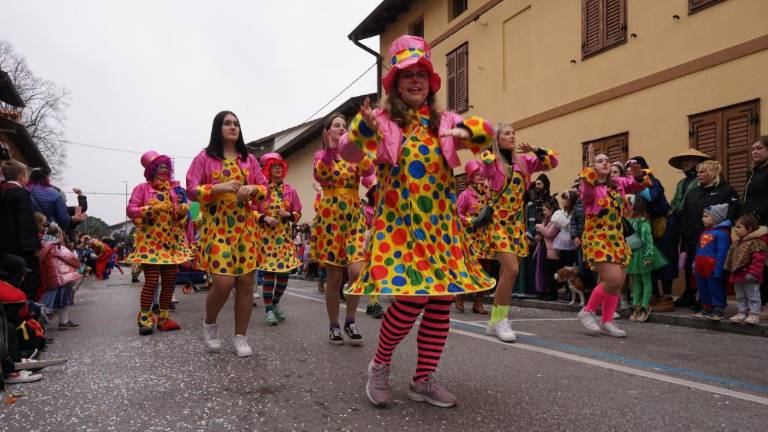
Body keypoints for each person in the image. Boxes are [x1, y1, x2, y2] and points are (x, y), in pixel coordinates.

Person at [340, 35, 496, 408]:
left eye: (421, 74)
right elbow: (348, 152)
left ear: (430, 82)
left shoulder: (444, 120)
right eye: (407, 74)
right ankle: (379, 365)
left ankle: (423, 379)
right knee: (412, 299)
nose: (415, 81)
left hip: (441, 227)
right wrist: (361, 131)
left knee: (441, 301)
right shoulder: (381, 120)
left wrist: (473, 133)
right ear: (395, 82)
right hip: (400, 227)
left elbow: (483, 134)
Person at [186, 111, 267, 357]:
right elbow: (191, 190)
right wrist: (217, 188)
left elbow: (264, 189)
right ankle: (210, 323)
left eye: (236, 124)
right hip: (217, 227)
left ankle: (241, 337)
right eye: (227, 123)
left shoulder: (249, 159)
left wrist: (252, 188)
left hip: (246, 229)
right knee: (223, 282)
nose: (233, 127)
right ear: (217, 128)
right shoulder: (204, 158)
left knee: (245, 284)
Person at [479, 124, 558, 340]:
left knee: (506, 273)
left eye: (513, 133)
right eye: (507, 133)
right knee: (512, 269)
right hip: (497, 223)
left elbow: (552, 163)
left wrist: (536, 149)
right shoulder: (492, 161)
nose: (512, 136)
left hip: (515, 225)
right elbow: (485, 172)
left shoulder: (524, 161)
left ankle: (495, 320)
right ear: (497, 139)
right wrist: (488, 154)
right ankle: (502, 320)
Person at [312, 113, 374, 345]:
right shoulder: (320, 155)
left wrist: (359, 147)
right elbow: (321, 174)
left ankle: (350, 319)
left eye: (344, 126)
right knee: (334, 277)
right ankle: (334, 325)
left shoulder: (355, 154)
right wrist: (330, 149)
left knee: (357, 271)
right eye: (336, 125)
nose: (341, 128)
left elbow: (369, 172)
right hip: (330, 220)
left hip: (354, 217)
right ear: (327, 131)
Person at [576, 145, 650, 338]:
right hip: (597, 237)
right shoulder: (589, 186)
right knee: (613, 279)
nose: (605, 163)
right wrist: (590, 166)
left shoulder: (618, 183)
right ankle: (587, 311)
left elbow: (640, 185)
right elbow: (587, 193)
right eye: (600, 161)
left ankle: (607, 320)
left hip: (617, 238)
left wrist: (639, 175)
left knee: (618, 284)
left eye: (607, 160)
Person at [126, 151, 193, 335]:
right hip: (150, 244)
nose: (164, 170)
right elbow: (131, 210)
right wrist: (151, 209)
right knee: (152, 280)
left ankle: (163, 318)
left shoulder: (170, 191)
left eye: (166, 167)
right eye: (160, 167)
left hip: (169, 244)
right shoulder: (142, 188)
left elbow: (175, 218)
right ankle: (145, 318)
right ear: (152, 170)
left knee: (170, 281)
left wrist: (181, 212)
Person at [678, 160, 739, 309]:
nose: (698, 174)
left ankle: (715, 303)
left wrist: (721, 229)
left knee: (713, 272)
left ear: (712, 173)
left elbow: (732, 214)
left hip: (714, 239)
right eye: (698, 172)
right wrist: (685, 232)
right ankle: (698, 298)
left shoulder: (727, 191)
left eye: (702, 172)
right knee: (694, 270)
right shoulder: (693, 192)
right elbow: (685, 213)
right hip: (693, 238)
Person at [254, 152, 302, 326]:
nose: (277, 169)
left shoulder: (290, 190)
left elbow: (298, 212)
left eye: (280, 166)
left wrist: (289, 214)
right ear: (268, 169)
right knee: (269, 274)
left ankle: (275, 303)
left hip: (284, 238)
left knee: (284, 275)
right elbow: (251, 210)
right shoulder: (261, 190)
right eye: (274, 166)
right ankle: (268, 310)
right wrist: (265, 218)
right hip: (266, 239)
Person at [0, 160, 41, 300]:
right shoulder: (21, 194)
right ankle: (25, 307)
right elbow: (27, 223)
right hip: (20, 247)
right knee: (29, 278)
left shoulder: (3, 191)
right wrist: (34, 248)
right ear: (21, 176)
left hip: (4, 246)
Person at [456, 159, 491, 314]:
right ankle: (460, 296)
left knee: (484, 270)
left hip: (484, 238)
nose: (481, 176)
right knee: (467, 268)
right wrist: (471, 221)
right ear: (470, 176)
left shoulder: (488, 195)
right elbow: (457, 214)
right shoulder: (465, 195)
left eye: (483, 174)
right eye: (477, 174)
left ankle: (478, 302)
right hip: (468, 239)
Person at [626, 194, 668, 322]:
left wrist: (649, 255)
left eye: (628, 204)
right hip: (633, 254)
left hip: (644, 254)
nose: (626, 207)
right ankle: (636, 306)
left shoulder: (643, 222)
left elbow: (648, 240)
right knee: (636, 281)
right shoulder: (629, 221)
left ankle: (645, 306)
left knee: (645, 279)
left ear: (635, 206)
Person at [739, 136, 768, 318]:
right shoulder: (754, 172)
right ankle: (758, 303)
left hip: (764, 224)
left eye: (759, 148)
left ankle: (766, 304)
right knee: (755, 265)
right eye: (753, 149)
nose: (755, 151)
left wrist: (757, 214)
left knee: (764, 264)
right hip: (752, 225)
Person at [692, 204, 732, 321]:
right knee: (703, 287)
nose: (702, 219)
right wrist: (694, 263)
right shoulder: (705, 232)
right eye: (703, 216)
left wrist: (719, 269)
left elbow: (722, 253)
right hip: (700, 266)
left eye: (706, 216)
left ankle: (719, 309)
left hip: (713, 267)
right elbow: (698, 248)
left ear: (716, 218)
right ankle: (707, 308)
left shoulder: (723, 234)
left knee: (716, 287)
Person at [38, 224, 82, 329]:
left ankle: (64, 321)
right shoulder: (57, 246)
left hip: (52, 277)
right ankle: (38, 325)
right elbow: (73, 259)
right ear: (58, 234)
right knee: (58, 301)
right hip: (62, 277)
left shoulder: (44, 244)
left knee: (60, 301)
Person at [725, 213, 766, 325]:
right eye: (735, 227)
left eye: (739, 227)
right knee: (740, 296)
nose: (735, 230)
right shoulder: (737, 243)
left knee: (753, 295)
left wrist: (753, 273)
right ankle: (742, 312)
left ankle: (754, 314)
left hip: (750, 276)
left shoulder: (756, 243)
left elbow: (759, 260)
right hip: (738, 275)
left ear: (749, 228)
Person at [535, 198, 561, 301]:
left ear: (551, 209)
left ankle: (553, 294)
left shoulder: (556, 219)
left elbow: (550, 233)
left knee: (552, 272)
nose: (543, 212)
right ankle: (547, 291)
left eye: (545, 210)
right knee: (546, 271)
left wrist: (539, 226)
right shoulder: (546, 219)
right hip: (545, 248)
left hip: (553, 249)